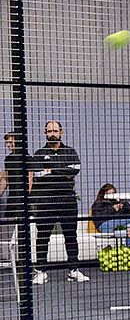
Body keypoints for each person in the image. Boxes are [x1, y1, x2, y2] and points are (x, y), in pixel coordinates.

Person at [29, 121, 89, 284]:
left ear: (61, 132)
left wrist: (50, 170)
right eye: (49, 131)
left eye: (55, 130)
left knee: (70, 235)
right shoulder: (39, 153)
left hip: (67, 199)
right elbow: (38, 175)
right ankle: (41, 271)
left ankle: (73, 270)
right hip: (46, 201)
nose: (52, 133)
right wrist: (62, 172)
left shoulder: (70, 152)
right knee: (42, 236)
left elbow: (74, 169)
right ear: (45, 133)